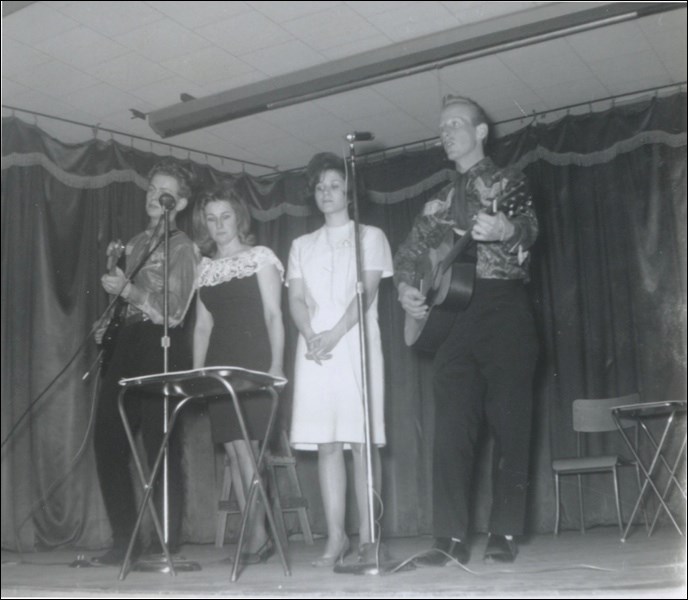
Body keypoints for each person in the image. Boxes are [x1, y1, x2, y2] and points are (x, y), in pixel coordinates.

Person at [394, 95, 539, 565]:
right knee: (452, 429)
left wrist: (505, 232)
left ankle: (505, 533)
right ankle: (449, 538)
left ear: (481, 133)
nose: (446, 131)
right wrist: (406, 291)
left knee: (510, 422)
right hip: (450, 317)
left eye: (456, 123)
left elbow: (529, 230)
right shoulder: (436, 201)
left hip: (502, 307)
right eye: (442, 126)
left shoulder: (508, 182)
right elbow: (408, 257)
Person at [287, 152, 393, 567]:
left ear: (349, 191)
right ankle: (335, 540)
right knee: (327, 443)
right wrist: (311, 335)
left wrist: (331, 334)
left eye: (333, 185)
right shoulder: (300, 245)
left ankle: (370, 538)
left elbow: (364, 293)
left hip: (354, 345)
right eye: (319, 187)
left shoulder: (370, 236)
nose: (326, 193)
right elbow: (295, 298)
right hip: (315, 350)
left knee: (361, 442)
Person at [92, 160, 199, 566]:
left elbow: (173, 311)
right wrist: (106, 322)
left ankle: (166, 544)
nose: (154, 196)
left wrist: (130, 291)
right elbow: (125, 299)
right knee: (107, 436)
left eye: (165, 192)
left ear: (181, 202)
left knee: (160, 443)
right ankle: (126, 540)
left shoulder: (183, 247)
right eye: (152, 188)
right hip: (128, 342)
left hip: (161, 344)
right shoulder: (135, 242)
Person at [192, 184, 284, 563]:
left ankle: (257, 536)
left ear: (238, 218)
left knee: (249, 452)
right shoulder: (206, 268)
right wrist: (197, 373)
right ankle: (255, 534)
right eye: (211, 219)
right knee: (233, 451)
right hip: (219, 366)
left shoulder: (260, 257)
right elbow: (202, 326)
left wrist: (276, 365)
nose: (219, 225)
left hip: (253, 362)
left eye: (225, 216)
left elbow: (273, 314)